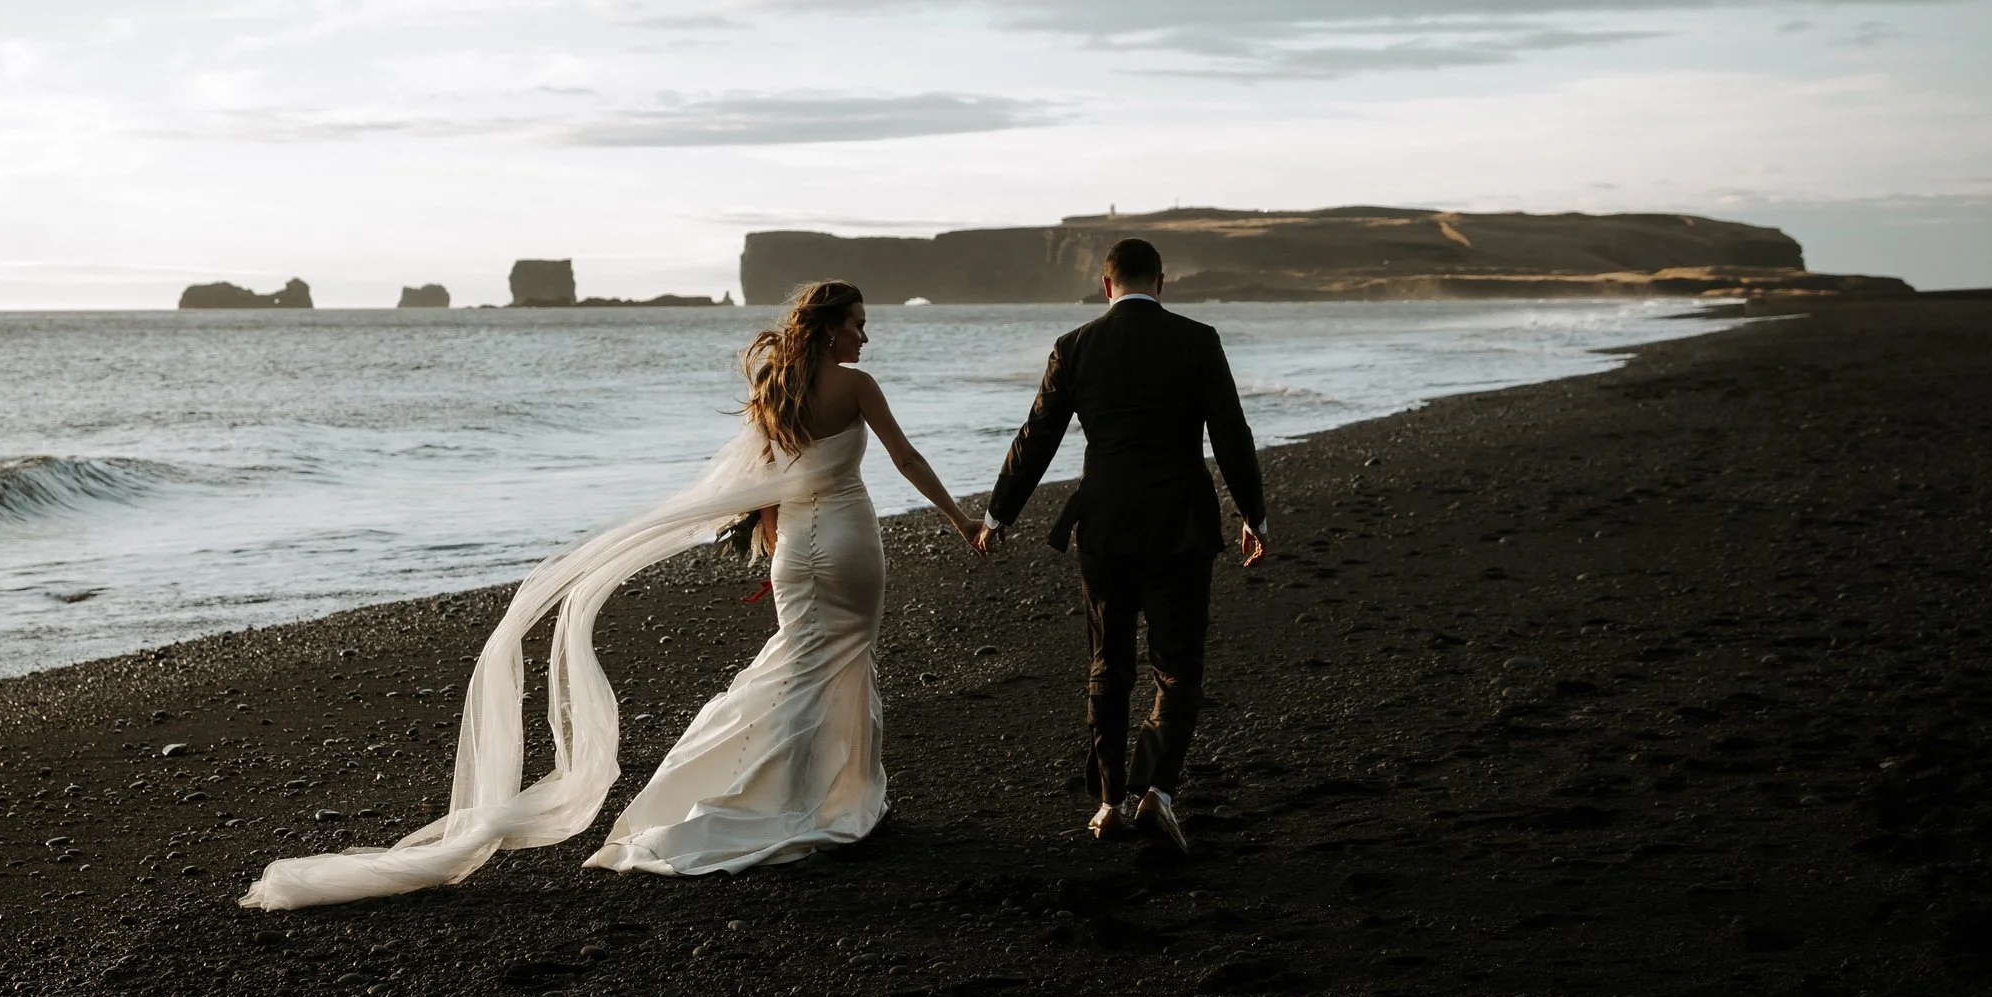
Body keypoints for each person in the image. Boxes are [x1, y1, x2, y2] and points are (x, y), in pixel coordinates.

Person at [240, 279, 979, 909]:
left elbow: (763, 496)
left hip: (797, 553)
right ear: (828, 325)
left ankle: (801, 795)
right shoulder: (856, 387)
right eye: (858, 324)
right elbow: (905, 456)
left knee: (796, 669)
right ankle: (825, 802)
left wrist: (781, 555)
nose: (866, 337)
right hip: (848, 543)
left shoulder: (773, 390)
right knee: (833, 667)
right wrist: (959, 517)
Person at [974, 238, 1268, 854]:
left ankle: (1109, 801)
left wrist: (999, 514)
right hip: (1180, 523)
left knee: (1108, 664)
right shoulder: (1198, 340)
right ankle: (1157, 792)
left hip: (1104, 525)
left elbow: (1037, 438)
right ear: (1160, 283)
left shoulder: (1074, 347)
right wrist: (1253, 513)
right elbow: (1231, 432)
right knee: (1178, 664)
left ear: (1106, 286)